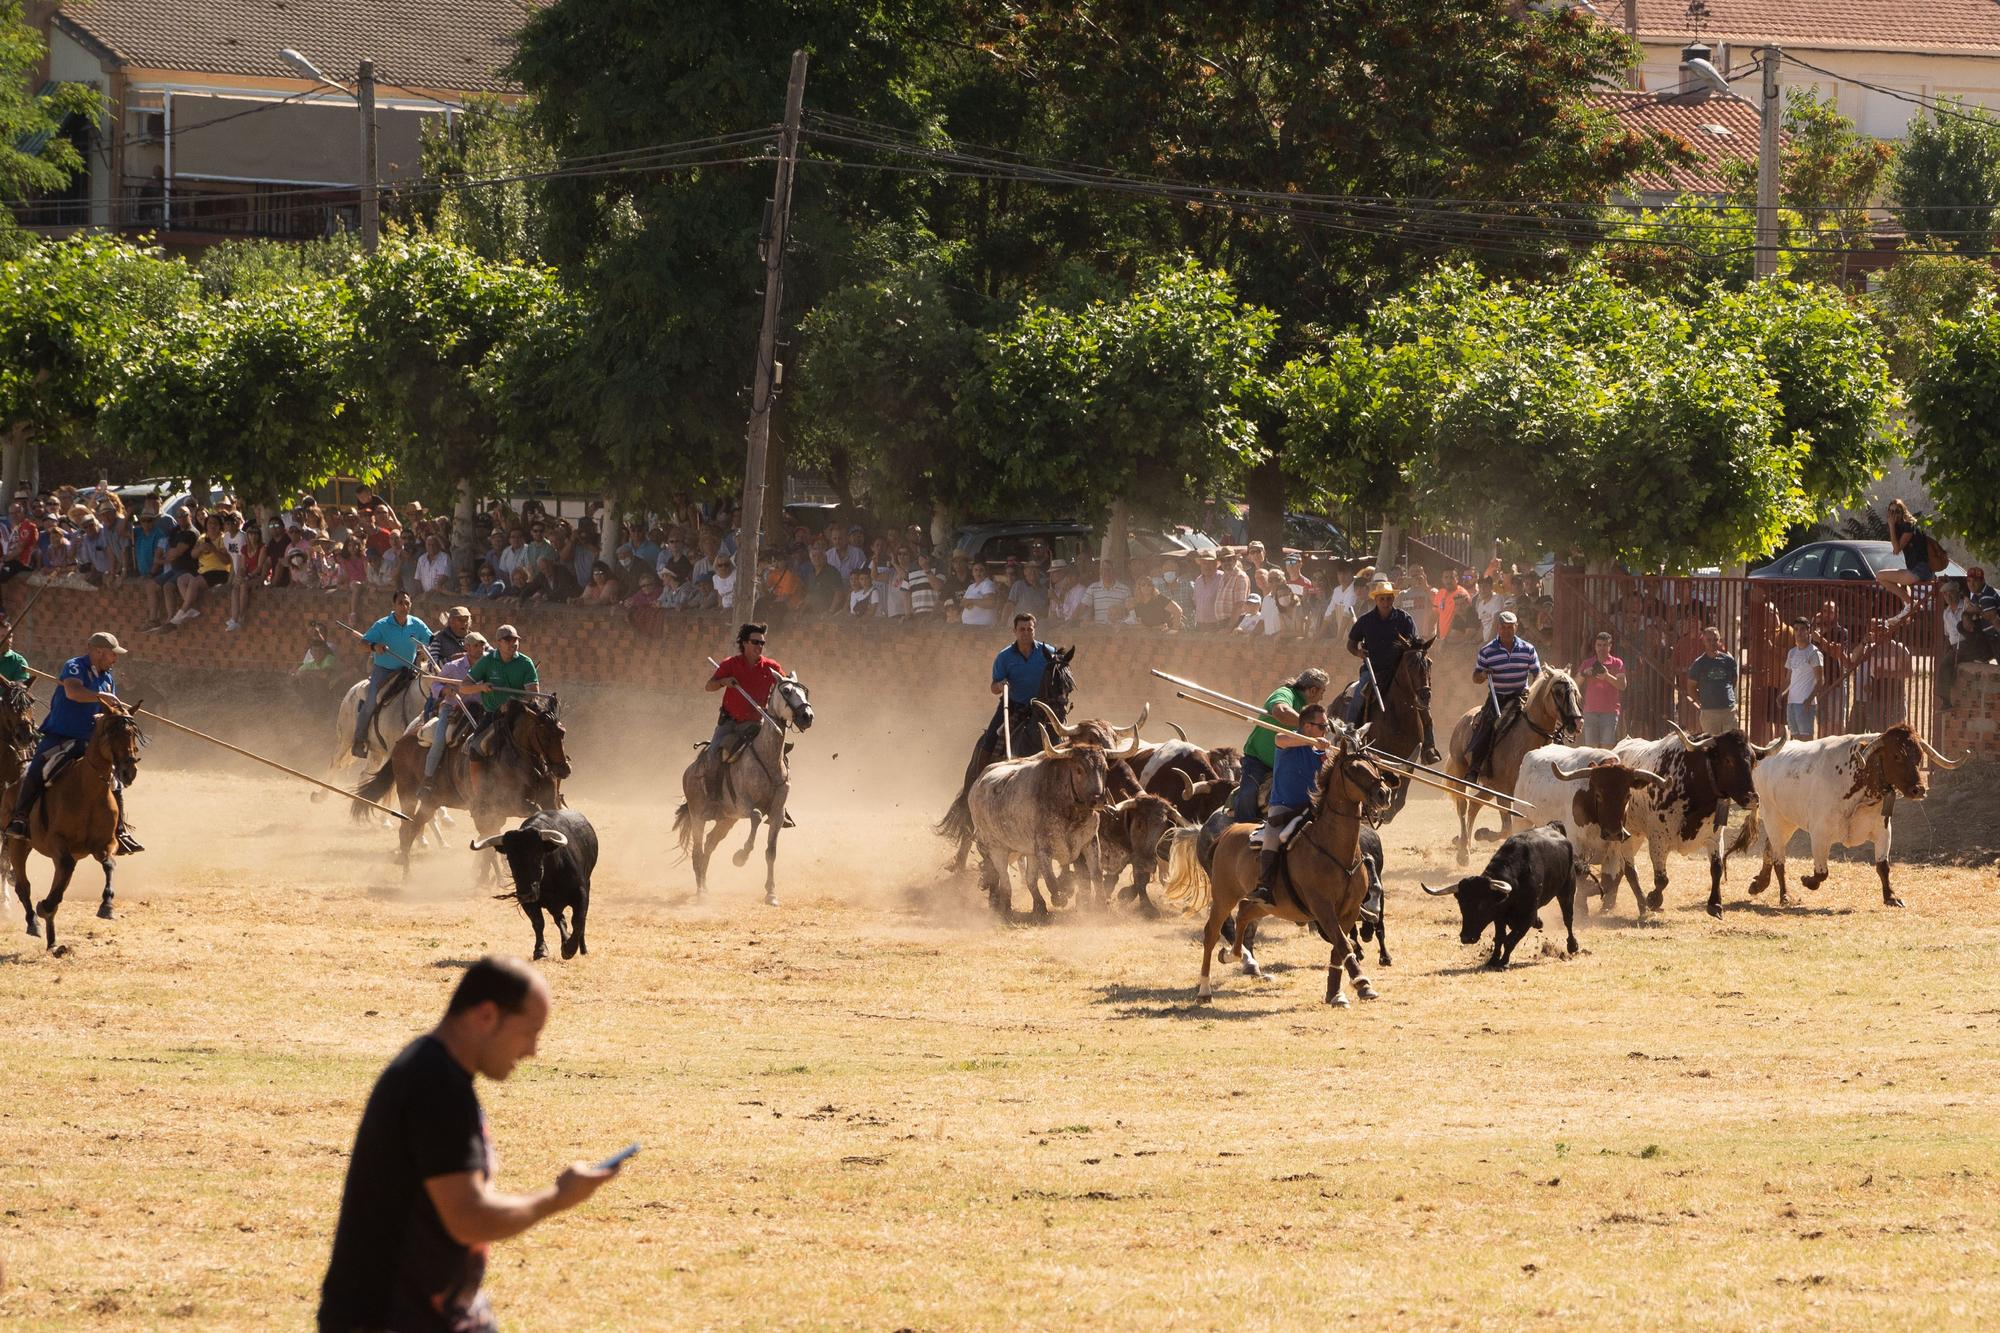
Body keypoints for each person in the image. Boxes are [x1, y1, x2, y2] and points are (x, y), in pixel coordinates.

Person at [317, 957, 621, 1333]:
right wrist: (557, 1198)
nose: (533, 1051)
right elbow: (468, 1218)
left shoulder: (436, 1073)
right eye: (530, 1032)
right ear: (487, 1015)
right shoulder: (433, 1084)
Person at [4, 631, 140, 853]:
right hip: (60, 735)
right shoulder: (75, 666)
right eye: (111, 654)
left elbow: (108, 710)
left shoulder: (107, 678)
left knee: (113, 779)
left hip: (89, 740)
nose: (115, 659)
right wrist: (100, 696)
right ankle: (20, 819)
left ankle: (120, 830)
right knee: (37, 769)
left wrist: (120, 714)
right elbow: (73, 691)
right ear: (97, 652)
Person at [1245, 702, 1334, 906]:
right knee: (1273, 835)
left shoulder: (1320, 751)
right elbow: (1280, 739)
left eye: (1326, 727)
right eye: (1322, 726)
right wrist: (1311, 741)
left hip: (1312, 808)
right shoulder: (1287, 740)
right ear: (1307, 726)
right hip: (1284, 806)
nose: (1325, 731)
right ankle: (1265, 886)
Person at [1344, 580, 1432, 757]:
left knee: (1421, 697)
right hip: (1373, 670)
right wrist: (1359, 652)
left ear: (1393, 599)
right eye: (1382, 599)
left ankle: (1429, 745)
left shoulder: (1404, 619)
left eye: (1389, 598)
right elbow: (1351, 644)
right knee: (1360, 692)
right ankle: (1350, 733)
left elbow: (1414, 643)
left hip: (1399, 670)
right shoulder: (1365, 621)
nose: (1385, 602)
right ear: (1376, 600)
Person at [1234, 667, 1330, 821]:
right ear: (1312, 690)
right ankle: (1239, 829)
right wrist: (1309, 725)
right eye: (1322, 692)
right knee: (1248, 793)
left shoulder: (1312, 711)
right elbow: (1281, 711)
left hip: (1290, 763)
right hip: (1260, 762)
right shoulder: (1285, 693)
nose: (1322, 697)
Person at [350, 592, 435, 759]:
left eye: (407, 603)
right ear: (394, 605)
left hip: (409, 670)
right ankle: (359, 740)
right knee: (372, 700)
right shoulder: (382, 625)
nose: (404, 607)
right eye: (400, 603)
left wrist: (431, 649)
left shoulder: (417, 624)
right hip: (384, 671)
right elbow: (361, 645)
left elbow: (432, 641)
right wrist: (375, 647)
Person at [703, 623, 782, 800]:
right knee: (712, 756)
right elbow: (709, 686)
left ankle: (778, 801)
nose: (759, 646)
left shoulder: (772, 667)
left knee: (778, 757)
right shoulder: (730, 664)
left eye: (762, 643)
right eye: (755, 642)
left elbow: (784, 688)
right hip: (730, 723)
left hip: (757, 724)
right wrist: (724, 681)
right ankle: (712, 798)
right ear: (744, 643)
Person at [1467, 611, 1540, 781]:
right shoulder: (1487, 651)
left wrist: (1534, 692)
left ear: (1516, 627)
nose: (1507, 631)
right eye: (1503, 627)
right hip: (1497, 696)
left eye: (1510, 627)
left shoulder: (1528, 649)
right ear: (1498, 628)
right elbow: (1475, 677)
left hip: (1521, 696)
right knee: (1487, 725)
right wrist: (1484, 674)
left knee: (1544, 720)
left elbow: (1538, 674)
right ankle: (1475, 768)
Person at [417, 633, 489, 802]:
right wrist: (445, 691)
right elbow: (435, 684)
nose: (480, 650)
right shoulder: (452, 667)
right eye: (476, 646)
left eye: (482, 646)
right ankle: (428, 780)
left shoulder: (489, 666)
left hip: (481, 710)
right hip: (453, 709)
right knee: (440, 739)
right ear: (467, 647)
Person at [985, 613, 1056, 759]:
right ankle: (977, 775)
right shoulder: (1004, 657)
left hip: (1042, 707)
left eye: (1029, 629)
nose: (1025, 633)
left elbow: (1060, 672)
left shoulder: (1048, 653)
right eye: (1022, 629)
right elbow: (993, 687)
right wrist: (1000, 685)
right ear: (1015, 631)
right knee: (990, 738)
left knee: (1061, 738)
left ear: (1034, 630)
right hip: (1013, 706)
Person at [1683, 626, 1741, 738]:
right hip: (1709, 713)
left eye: (1715, 639)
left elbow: (1734, 680)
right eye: (1709, 640)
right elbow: (1691, 688)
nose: (1712, 643)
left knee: (1731, 745)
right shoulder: (1698, 664)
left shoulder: (1729, 660)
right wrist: (1702, 701)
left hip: (1729, 711)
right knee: (1712, 746)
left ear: (1719, 641)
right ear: (1703, 641)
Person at [1876, 498, 1933, 607]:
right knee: (1894, 582)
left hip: (1920, 570)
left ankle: (1911, 604)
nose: (1894, 515)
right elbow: (1895, 549)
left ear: (1903, 512)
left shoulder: (1909, 526)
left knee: (1880, 576)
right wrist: (1893, 528)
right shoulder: (1900, 528)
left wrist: (1891, 526)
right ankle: (1910, 605)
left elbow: (1896, 550)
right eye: (1891, 511)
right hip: (1914, 569)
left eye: (1897, 511)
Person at [1576, 631, 1628, 749]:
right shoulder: (1587, 663)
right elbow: (1575, 683)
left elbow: (1623, 685)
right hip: (1590, 712)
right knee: (1591, 750)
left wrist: (1607, 676)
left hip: (1610, 712)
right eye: (1599, 645)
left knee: (1607, 749)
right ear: (1595, 646)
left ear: (1610, 646)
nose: (1601, 648)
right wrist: (1585, 673)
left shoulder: (1617, 663)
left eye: (1605, 645)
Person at [1783, 619, 1825, 740]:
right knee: (1795, 740)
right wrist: (1781, 694)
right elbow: (1788, 679)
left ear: (1808, 631)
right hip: (1791, 702)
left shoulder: (1814, 652)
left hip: (1805, 703)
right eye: (1796, 629)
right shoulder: (1792, 652)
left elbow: (1821, 680)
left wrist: (1810, 699)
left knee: (1806, 742)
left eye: (1802, 629)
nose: (1799, 632)